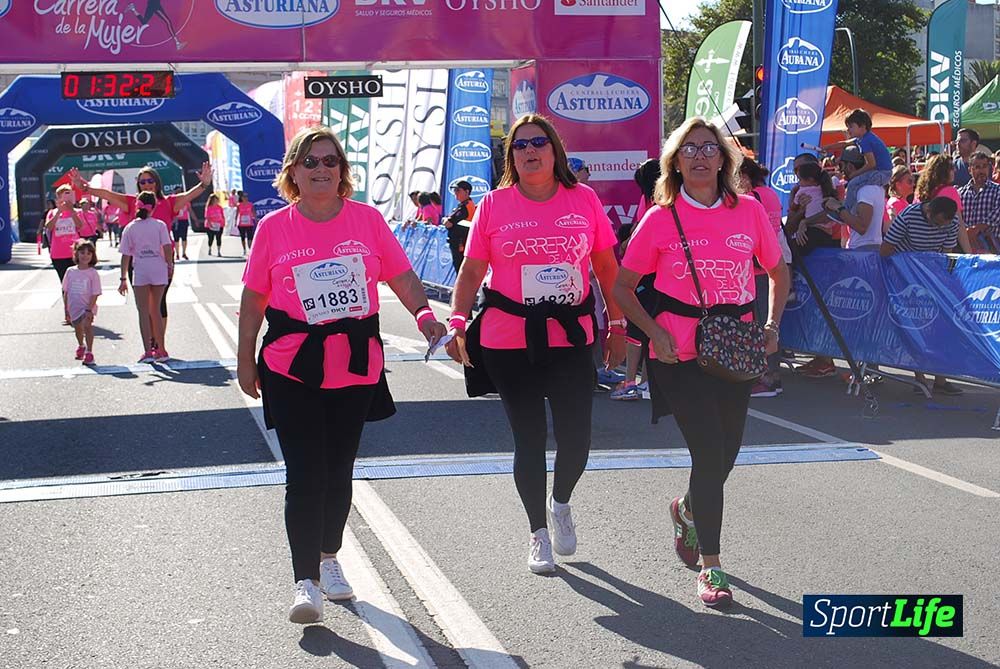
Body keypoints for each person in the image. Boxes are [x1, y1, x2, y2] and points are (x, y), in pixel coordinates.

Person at [236, 126, 446, 625]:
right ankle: (304, 580)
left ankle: (330, 557)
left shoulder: (368, 221)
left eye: (331, 161)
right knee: (305, 474)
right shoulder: (273, 228)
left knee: (339, 470)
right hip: (292, 366)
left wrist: (425, 317)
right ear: (293, 172)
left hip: (354, 364)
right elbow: (252, 301)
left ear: (342, 171)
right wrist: (245, 359)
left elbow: (402, 277)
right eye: (311, 162)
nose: (322, 169)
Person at [612, 117, 789, 608]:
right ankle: (711, 568)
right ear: (674, 161)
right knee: (709, 451)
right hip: (678, 352)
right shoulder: (660, 218)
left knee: (727, 452)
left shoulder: (750, 211)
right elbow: (623, 288)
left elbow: (777, 271)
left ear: (723, 159)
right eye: (688, 149)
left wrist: (771, 326)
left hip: (735, 347)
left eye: (709, 148)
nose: (699, 156)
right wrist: (654, 334)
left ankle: (687, 509)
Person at [445, 113, 626, 575]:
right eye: (520, 145)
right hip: (510, 338)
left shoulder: (583, 200)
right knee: (528, 439)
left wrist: (619, 325)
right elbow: (470, 271)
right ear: (512, 156)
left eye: (538, 143)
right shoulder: (493, 204)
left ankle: (560, 501)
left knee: (577, 439)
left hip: (570, 336)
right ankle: (537, 533)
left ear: (554, 151)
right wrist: (458, 321)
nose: (529, 151)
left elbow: (606, 269)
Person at [72, 163, 212, 352]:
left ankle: (158, 342)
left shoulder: (169, 202)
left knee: (159, 304)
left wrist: (204, 184)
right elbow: (107, 195)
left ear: (157, 182)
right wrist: (86, 188)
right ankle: (150, 343)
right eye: (142, 181)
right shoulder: (131, 202)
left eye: (150, 180)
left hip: (162, 263)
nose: (146, 184)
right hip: (137, 264)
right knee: (144, 306)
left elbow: (190, 195)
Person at [881, 197, 969, 396]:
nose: (940, 228)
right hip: (905, 278)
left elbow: (945, 254)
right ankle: (919, 378)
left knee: (939, 328)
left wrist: (937, 276)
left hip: (931, 279)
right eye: (937, 223)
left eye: (943, 225)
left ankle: (940, 378)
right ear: (929, 212)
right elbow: (886, 248)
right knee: (915, 328)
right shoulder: (908, 216)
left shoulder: (952, 222)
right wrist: (905, 268)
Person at [610, 158, 662, 402]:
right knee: (652, 325)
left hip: (647, 276)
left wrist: (626, 243)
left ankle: (633, 381)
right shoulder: (660, 199)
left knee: (638, 325)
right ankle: (646, 382)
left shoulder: (655, 203)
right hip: (659, 275)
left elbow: (641, 238)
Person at [740, 157, 791, 398]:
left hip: (757, 266)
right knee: (769, 324)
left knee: (760, 325)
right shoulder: (770, 193)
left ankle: (768, 378)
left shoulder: (750, 199)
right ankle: (771, 375)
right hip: (771, 262)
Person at [118, 191, 174, 364]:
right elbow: (167, 247)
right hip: (158, 268)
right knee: (155, 311)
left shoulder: (130, 227)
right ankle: (162, 350)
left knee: (143, 312)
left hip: (141, 270)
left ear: (137, 206)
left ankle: (148, 351)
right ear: (154, 207)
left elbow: (125, 255)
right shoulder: (159, 225)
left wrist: (123, 278)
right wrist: (170, 266)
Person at [821, 109, 893, 210]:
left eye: (851, 126)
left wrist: (855, 174)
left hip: (882, 173)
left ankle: (846, 210)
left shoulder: (865, 141)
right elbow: (845, 143)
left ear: (862, 126)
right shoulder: (864, 138)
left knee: (853, 184)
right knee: (855, 183)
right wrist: (827, 147)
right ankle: (850, 209)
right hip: (883, 172)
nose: (848, 130)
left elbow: (871, 163)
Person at [823, 147, 886, 251]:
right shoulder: (869, 187)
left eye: (841, 165)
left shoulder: (865, 189)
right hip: (866, 249)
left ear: (850, 166)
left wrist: (839, 208)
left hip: (864, 252)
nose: (841, 170)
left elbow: (862, 227)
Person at [913, 154, 974, 254]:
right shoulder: (950, 192)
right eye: (951, 168)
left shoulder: (919, 193)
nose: (955, 170)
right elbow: (959, 225)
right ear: (942, 171)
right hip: (943, 247)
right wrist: (969, 253)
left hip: (920, 246)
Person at [46, 185, 85, 325]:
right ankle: (68, 313)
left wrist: (72, 211)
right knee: (65, 284)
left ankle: (80, 311)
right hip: (58, 254)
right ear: (58, 198)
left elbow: (80, 226)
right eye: (63, 195)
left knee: (78, 283)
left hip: (74, 253)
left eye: (68, 194)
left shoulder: (77, 212)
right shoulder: (52, 212)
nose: (66, 198)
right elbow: (49, 227)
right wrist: (58, 213)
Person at [63, 239, 102, 366]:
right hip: (74, 306)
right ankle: (81, 345)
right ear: (76, 254)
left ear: (92, 256)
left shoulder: (93, 273)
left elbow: (95, 292)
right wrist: (66, 309)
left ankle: (90, 352)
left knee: (87, 327)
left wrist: (89, 308)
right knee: (78, 329)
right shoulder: (70, 271)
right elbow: (66, 291)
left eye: (89, 253)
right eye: (82, 253)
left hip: (87, 306)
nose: (85, 256)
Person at [957, 150, 1000, 253]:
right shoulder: (961, 193)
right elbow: (957, 219)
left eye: (984, 166)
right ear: (970, 170)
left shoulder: (997, 190)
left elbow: (997, 214)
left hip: (993, 247)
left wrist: (976, 229)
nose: (981, 170)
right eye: (977, 167)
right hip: (967, 248)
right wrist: (967, 232)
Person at [443, 180, 476, 276]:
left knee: (460, 267)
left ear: (467, 192)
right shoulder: (465, 205)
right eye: (455, 190)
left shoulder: (465, 207)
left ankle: (464, 290)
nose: (455, 193)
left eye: (458, 190)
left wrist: (444, 220)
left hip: (461, 242)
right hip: (462, 242)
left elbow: (449, 223)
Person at [886, 165, 915, 230]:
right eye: (909, 182)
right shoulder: (895, 203)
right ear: (898, 185)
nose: (913, 184)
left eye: (913, 181)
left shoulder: (901, 201)